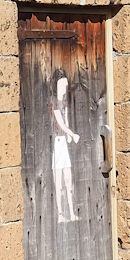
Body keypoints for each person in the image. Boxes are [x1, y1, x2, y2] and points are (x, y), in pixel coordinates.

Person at [51, 73, 80, 223]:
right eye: (63, 84)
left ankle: (72, 212)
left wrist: (69, 135)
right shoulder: (54, 103)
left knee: (68, 178)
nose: (65, 87)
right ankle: (60, 215)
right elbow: (60, 123)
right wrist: (72, 134)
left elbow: (66, 119)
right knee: (58, 180)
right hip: (57, 142)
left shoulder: (65, 102)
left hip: (65, 142)